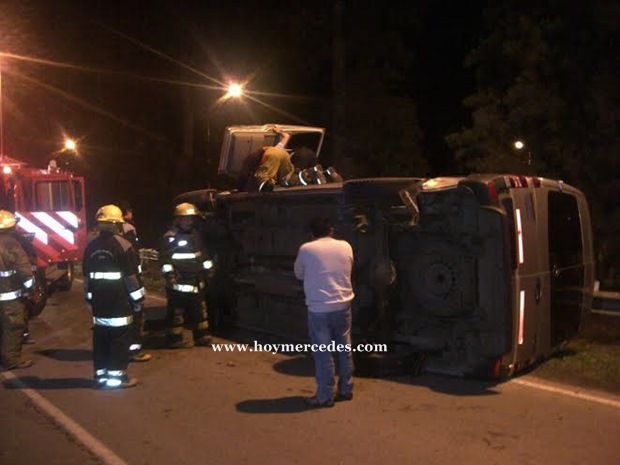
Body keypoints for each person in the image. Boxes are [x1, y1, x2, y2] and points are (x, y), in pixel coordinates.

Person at [294, 217, 355, 407]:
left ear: (312, 233)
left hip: (319, 308)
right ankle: (346, 389)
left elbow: (299, 274)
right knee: (344, 349)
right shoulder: (346, 246)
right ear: (331, 230)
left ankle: (325, 396)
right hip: (343, 305)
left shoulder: (306, 249)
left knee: (323, 353)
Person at [83, 205, 145, 389]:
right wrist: (138, 299)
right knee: (119, 338)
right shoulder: (123, 246)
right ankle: (117, 378)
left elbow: (86, 278)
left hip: (99, 302)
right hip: (119, 301)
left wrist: (89, 299)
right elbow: (131, 278)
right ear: (118, 224)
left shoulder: (91, 247)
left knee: (101, 337)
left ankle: (101, 375)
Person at [159, 202, 212, 348]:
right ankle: (174, 339)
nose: (189, 222)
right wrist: (170, 275)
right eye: (186, 219)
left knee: (200, 311)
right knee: (177, 313)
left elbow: (202, 255)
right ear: (178, 220)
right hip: (178, 282)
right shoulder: (170, 237)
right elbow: (164, 260)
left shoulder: (196, 235)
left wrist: (208, 270)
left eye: (191, 219)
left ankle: (202, 337)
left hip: (196, 280)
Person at [0, 210, 35, 370]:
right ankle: (11, 360)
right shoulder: (12, 244)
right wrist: (31, 289)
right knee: (13, 327)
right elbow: (24, 272)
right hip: (10, 297)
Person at [118, 201, 151, 363]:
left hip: (117, 285)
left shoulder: (106, 235)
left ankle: (120, 349)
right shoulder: (129, 229)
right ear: (126, 212)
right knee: (136, 315)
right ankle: (134, 351)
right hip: (131, 278)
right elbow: (133, 255)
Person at [253, 126, 294, 191]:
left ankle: (266, 187)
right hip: (284, 156)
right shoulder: (278, 149)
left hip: (274, 156)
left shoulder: (272, 151)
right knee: (282, 176)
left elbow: (286, 136)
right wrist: (279, 131)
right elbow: (286, 136)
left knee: (264, 174)